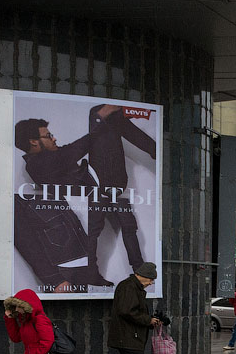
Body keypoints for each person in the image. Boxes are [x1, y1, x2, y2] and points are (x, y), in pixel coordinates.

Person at [15, 105, 155, 290]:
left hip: (102, 185)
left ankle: (137, 271)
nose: (54, 137)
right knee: (100, 114)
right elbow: (75, 150)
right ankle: (155, 149)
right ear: (34, 142)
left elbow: (71, 151)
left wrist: (101, 120)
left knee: (128, 227)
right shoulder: (37, 164)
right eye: (48, 135)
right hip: (95, 189)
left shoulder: (51, 155)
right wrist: (98, 119)